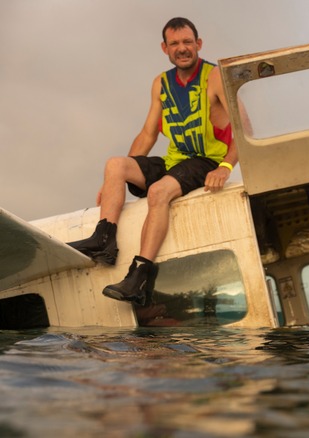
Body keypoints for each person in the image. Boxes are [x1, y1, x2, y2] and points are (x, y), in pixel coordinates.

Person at [67, 17, 249, 306]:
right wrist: (113, 182)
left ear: (198, 44)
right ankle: (104, 241)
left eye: (188, 42)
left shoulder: (215, 77)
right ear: (165, 48)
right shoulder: (160, 84)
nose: (182, 48)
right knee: (115, 164)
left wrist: (225, 167)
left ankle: (139, 277)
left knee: (158, 192)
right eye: (175, 43)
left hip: (205, 160)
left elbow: (244, 128)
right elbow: (148, 134)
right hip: (174, 160)